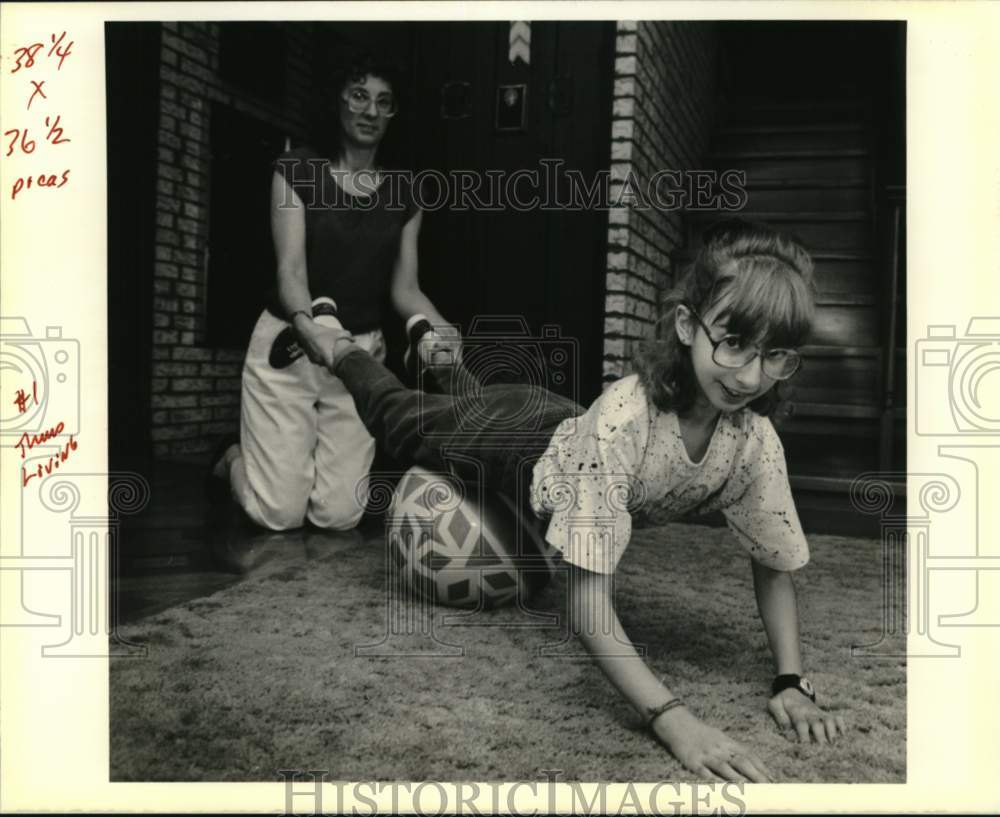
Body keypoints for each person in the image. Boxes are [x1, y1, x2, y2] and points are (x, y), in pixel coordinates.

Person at [318, 219, 847, 782]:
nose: (749, 375)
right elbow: (585, 602)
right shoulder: (625, 421)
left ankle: (432, 343)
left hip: (566, 429)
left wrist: (792, 681)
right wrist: (673, 720)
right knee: (399, 418)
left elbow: (773, 565)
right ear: (689, 326)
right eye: (735, 342)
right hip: (516, 438)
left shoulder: (754, 443)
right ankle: (338, 344)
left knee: (470, 398)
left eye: (775, 355)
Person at [210, 51, 455, 531]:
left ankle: (286, 470)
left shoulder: (405, 192)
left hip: (359, 359)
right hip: (291, 344)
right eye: (360, 96)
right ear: (338, 101)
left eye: (384, 102)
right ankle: (231, 458)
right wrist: (308, 327)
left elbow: (406, 289)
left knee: (339, 516)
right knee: (277, 513)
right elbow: (292, 271)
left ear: (394, 114)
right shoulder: (295, 169)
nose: (370, 111)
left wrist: (443, 329)